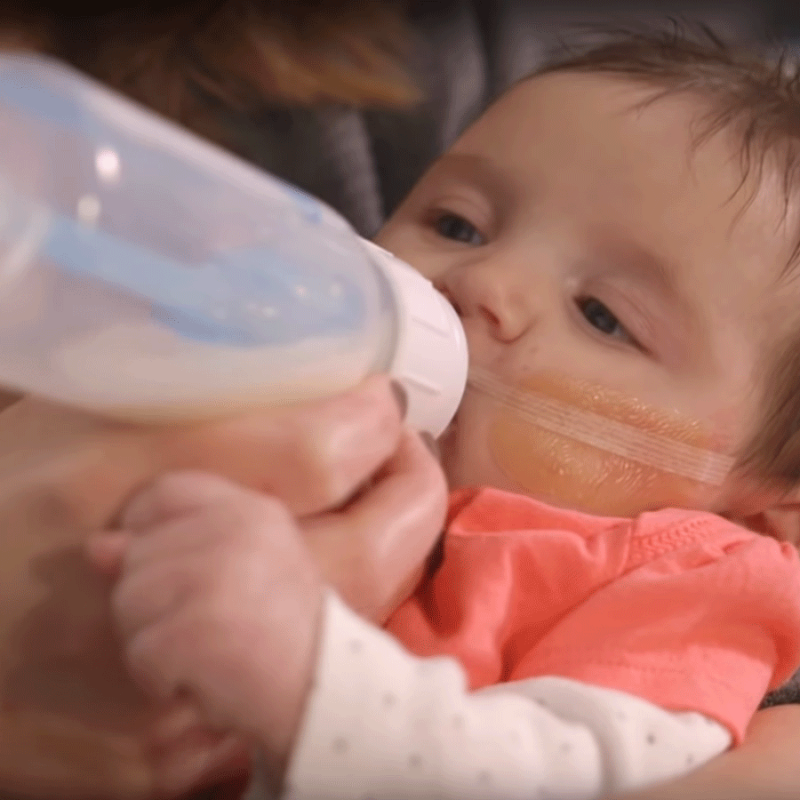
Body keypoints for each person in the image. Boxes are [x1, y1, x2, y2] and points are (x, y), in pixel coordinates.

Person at [0, 4, 797, 800]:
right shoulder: (296, 425)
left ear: (761, 509)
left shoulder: (683, 587)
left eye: (603, 316)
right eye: (457, 223)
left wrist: (306, 676)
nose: (480, 282)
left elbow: (565, 774)